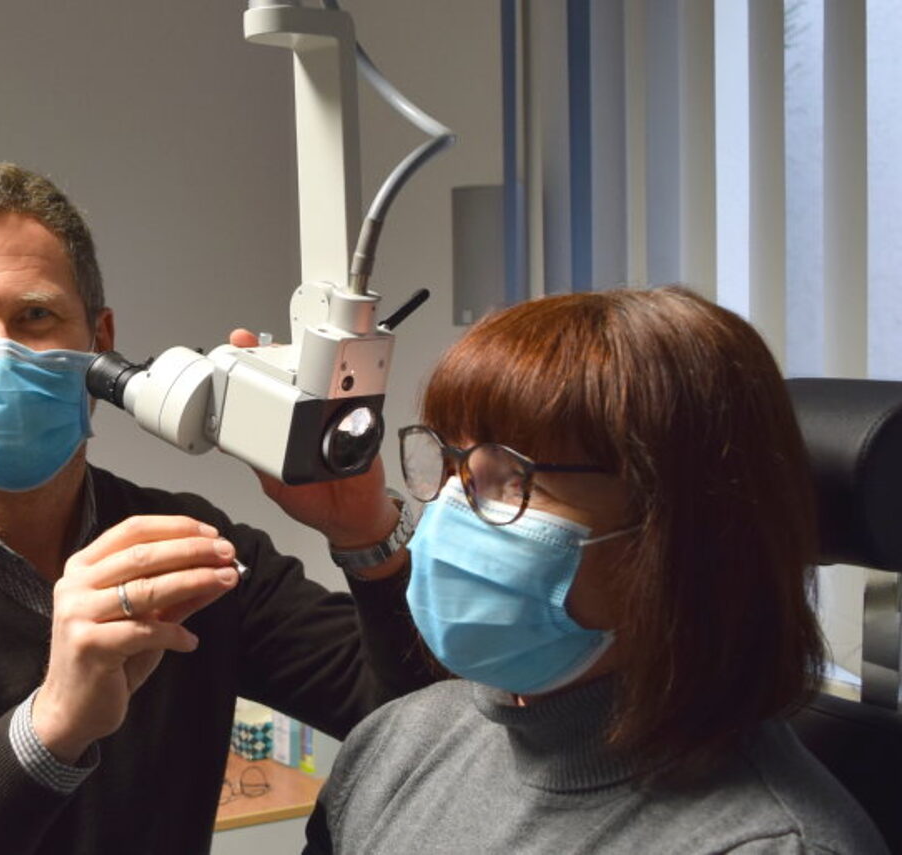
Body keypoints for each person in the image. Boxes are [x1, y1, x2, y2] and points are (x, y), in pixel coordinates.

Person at [0, 162, 435, 855]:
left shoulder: (191, 553)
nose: (1, 354)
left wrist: (365, 532)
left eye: (35, 316)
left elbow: (423, 722)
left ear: (99, 339)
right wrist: (49, 729)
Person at [304, 287, 887, 854]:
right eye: (454, 463)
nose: (453, 508)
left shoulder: (770, 843)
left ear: (679, 529)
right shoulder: (396, 745)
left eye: (511, 477)